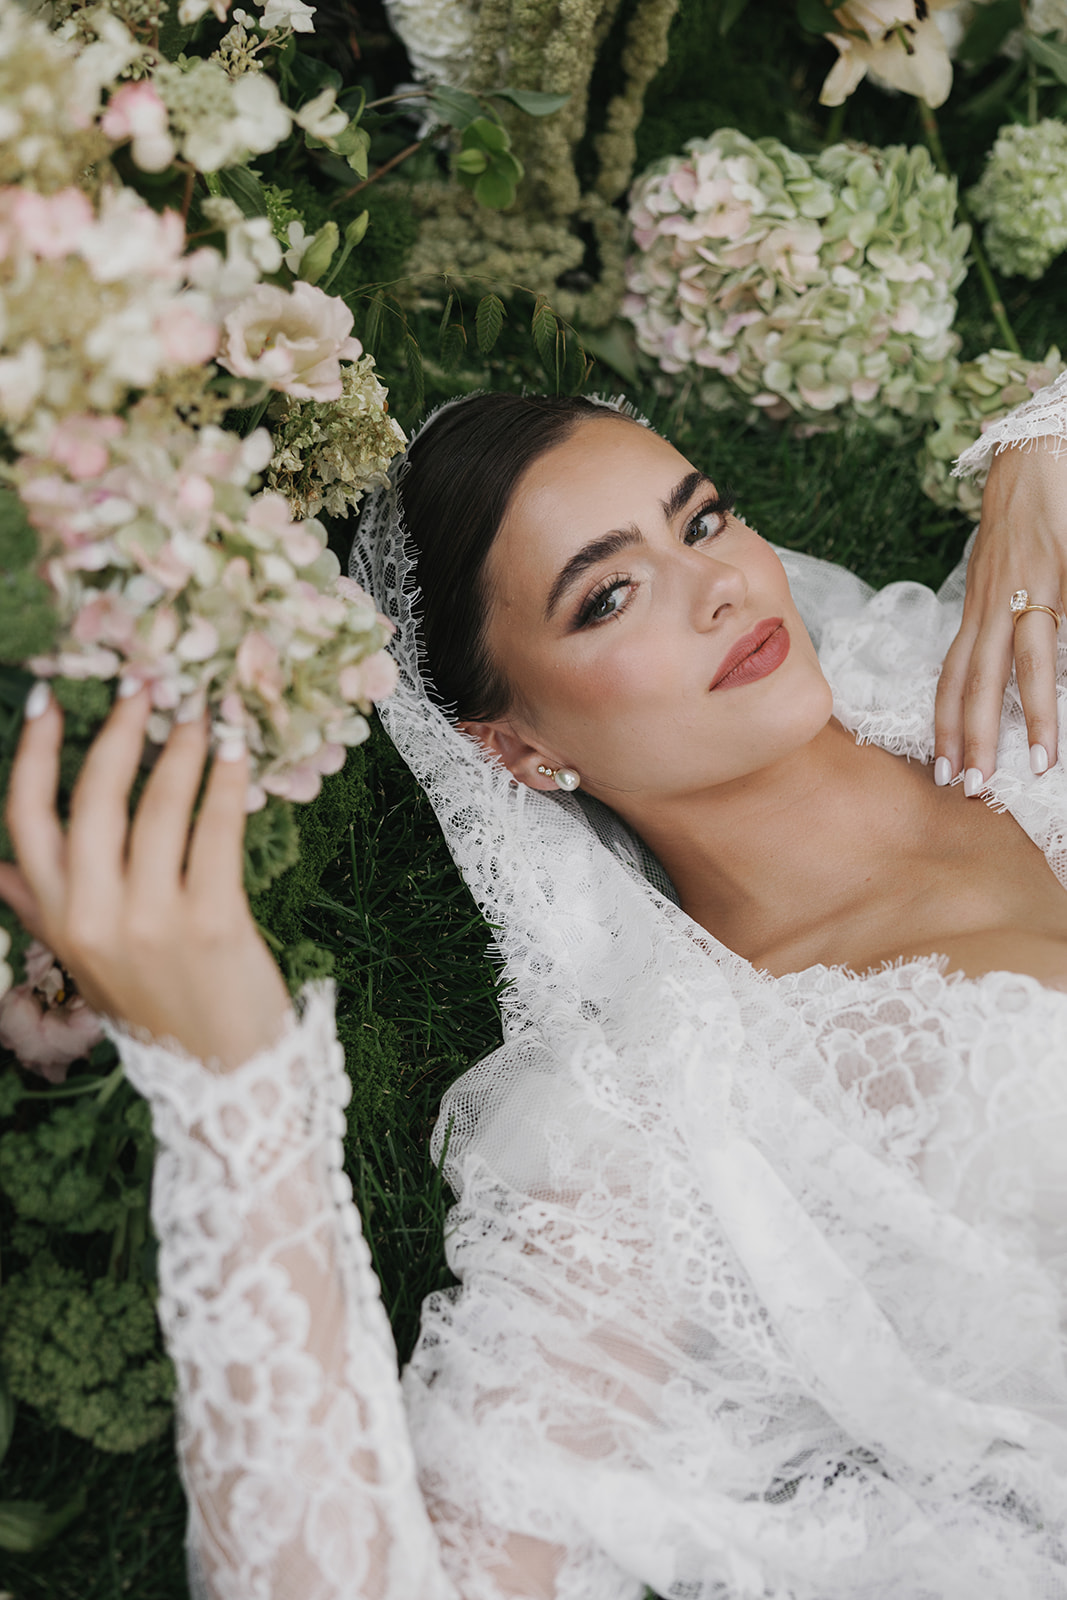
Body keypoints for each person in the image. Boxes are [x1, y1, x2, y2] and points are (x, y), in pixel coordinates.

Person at [5, 379, 1067, 1600]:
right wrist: (234, 1092)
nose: (714, 585)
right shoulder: (669, 1118)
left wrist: (1037, 446)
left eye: (702, 519)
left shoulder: (983, 667)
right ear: (512, 746)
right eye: (607, 595)